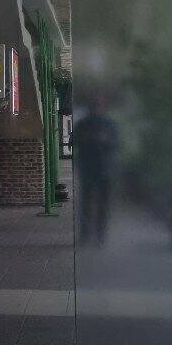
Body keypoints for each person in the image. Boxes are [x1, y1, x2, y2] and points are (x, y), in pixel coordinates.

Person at [73, 94, 118, 245]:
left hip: (104, 170)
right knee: (86, 204)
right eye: (96, 105)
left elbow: (116, 145)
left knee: (101, 206)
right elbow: (74, 142)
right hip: (88, 170)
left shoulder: (109, 125)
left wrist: (105, 142)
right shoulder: (84, 124)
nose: (98, 108)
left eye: (100, 105)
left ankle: (99, 235)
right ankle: (86, 235)